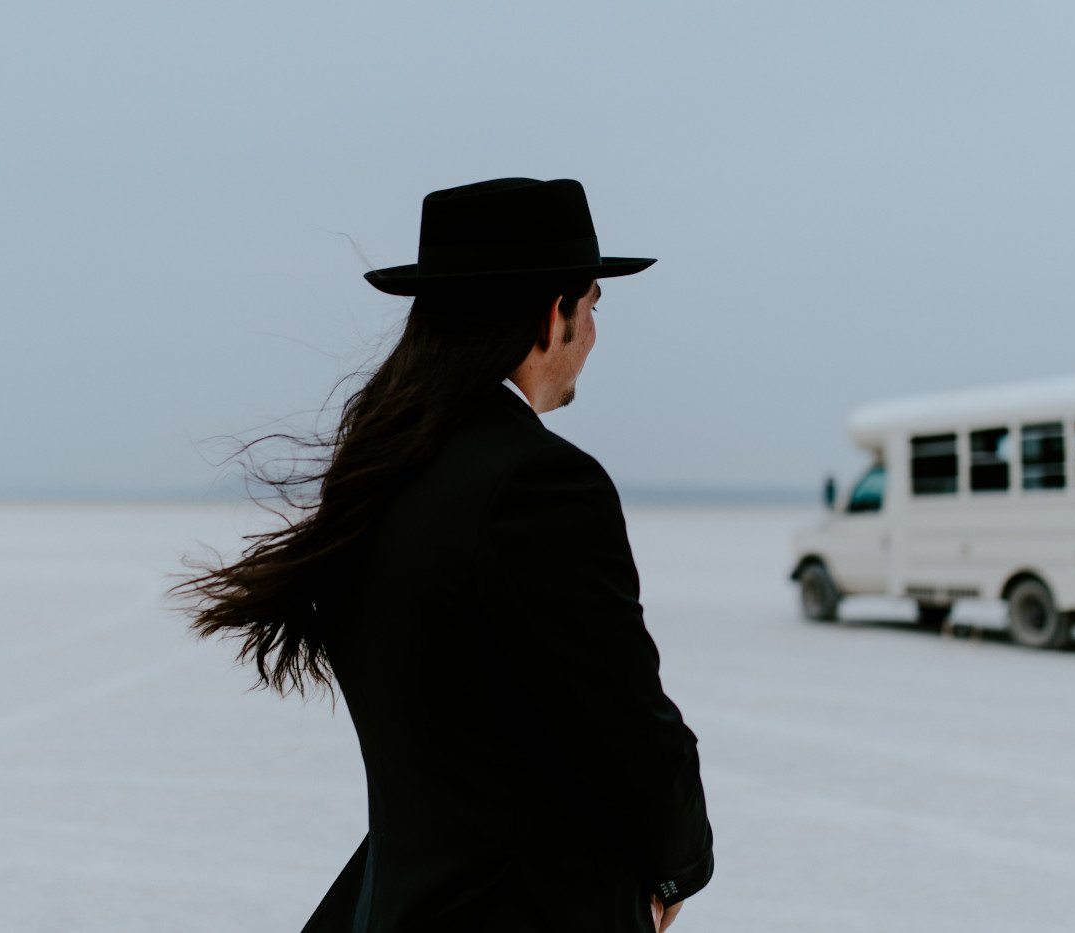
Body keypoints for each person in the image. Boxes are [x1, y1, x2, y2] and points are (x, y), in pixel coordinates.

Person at [179, 178, 713, 932]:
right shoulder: (539, 481)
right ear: (551, 312)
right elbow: (626, 724)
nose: (593, 333)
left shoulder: (379, 469)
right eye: (593, 304)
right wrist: (681, 861)